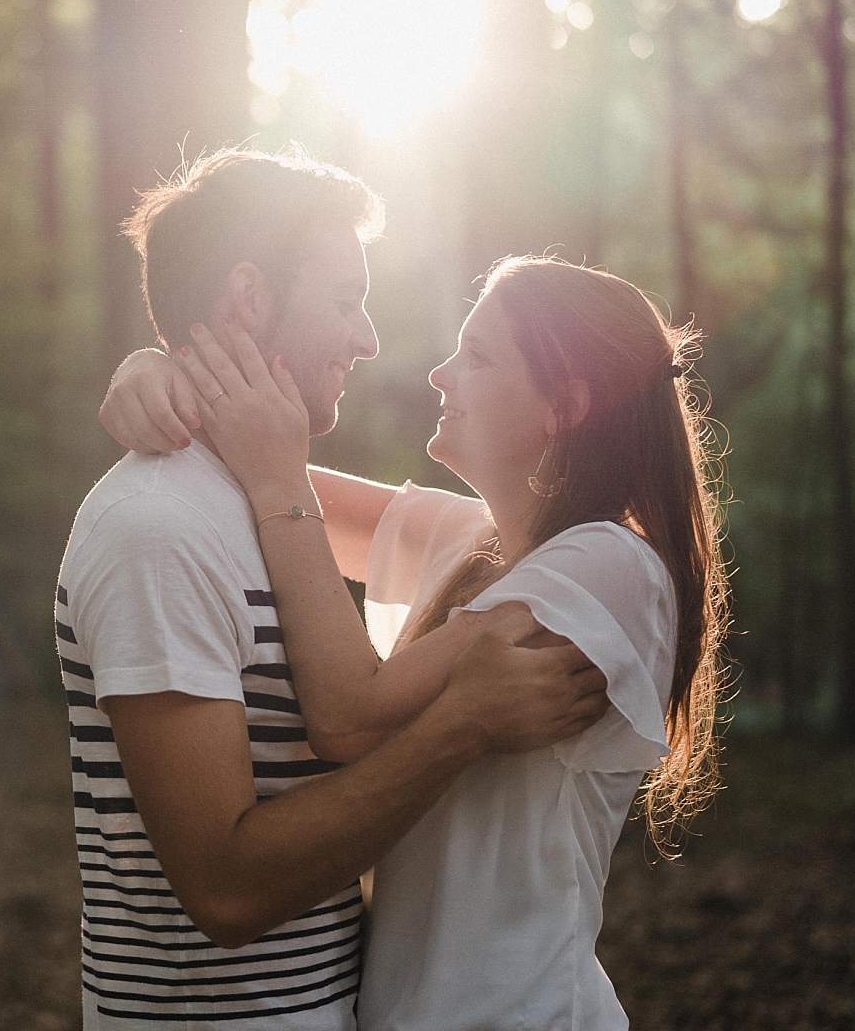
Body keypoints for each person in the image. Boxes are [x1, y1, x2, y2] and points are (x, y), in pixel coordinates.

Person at [101, 254, 730, 1030]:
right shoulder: (474, 543)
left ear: (562, 407)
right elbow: (250, 457)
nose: (440, 375)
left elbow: (348, 713)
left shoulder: (611, 568)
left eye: (476, 356)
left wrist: (272, 476)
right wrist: (157, 373)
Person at [59, 149, 611, 1030]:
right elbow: (227, 893)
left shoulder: (279, 507)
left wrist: (167, 372)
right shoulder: (157, 528)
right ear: (248, 297)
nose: (370, 339)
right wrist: (461, 723)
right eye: (346, 300)